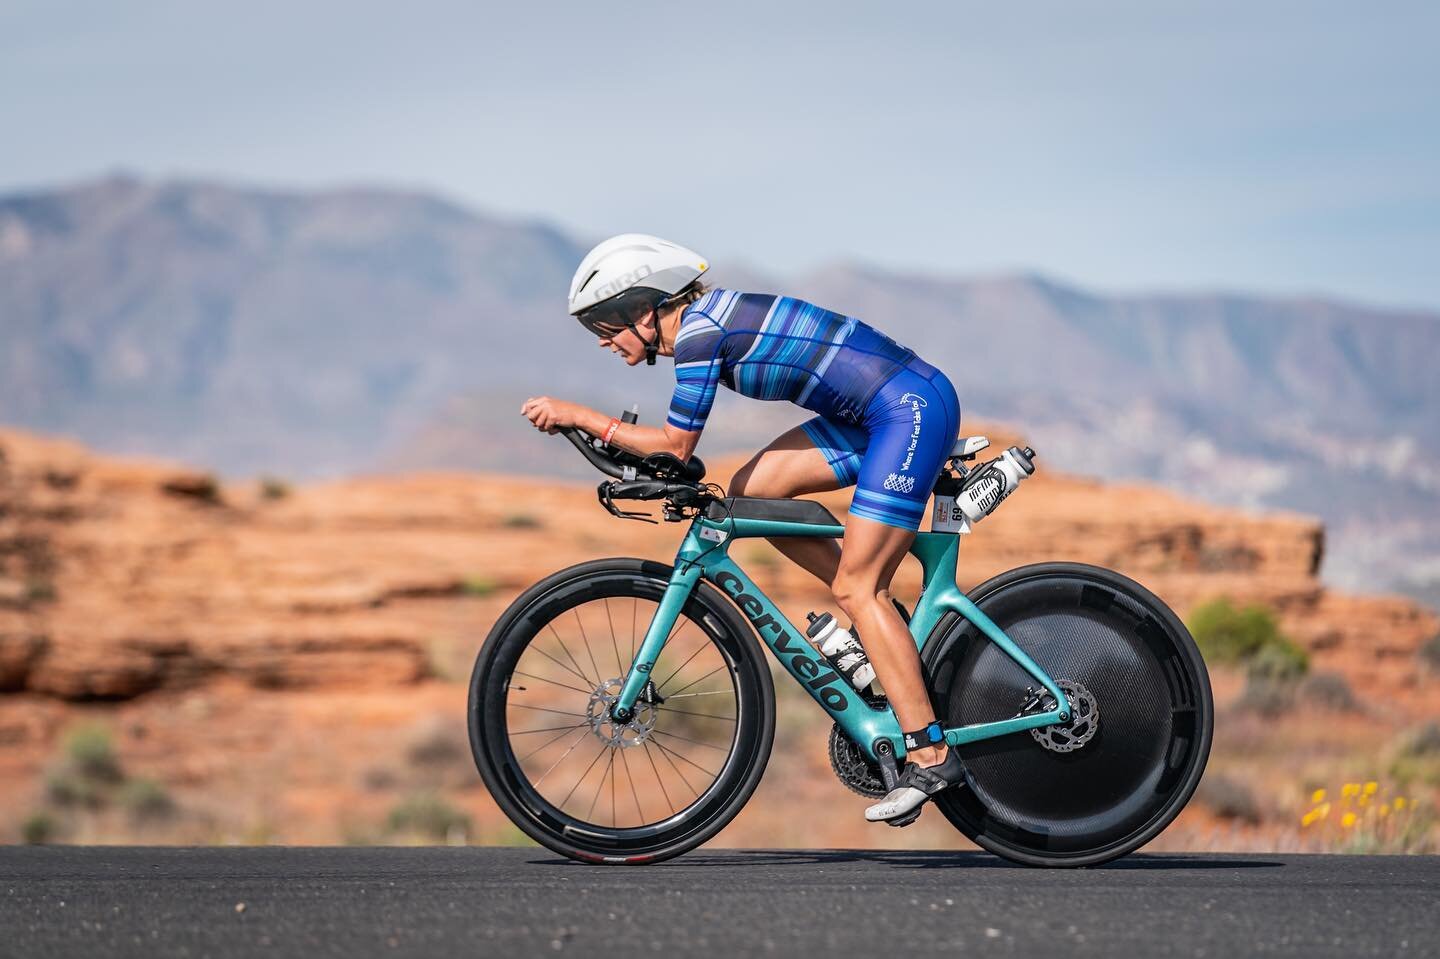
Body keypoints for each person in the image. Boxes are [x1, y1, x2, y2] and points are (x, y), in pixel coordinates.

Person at [521, 234, 963, 824]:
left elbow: (676, 447)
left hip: (906, 410)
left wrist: (581, 417)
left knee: (859, 587)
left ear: (646, 309)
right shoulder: (702, 326)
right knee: (754, 494)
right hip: (877, 414)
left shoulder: (701, 335)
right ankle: (876, 618)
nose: (602, 340)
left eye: (606, 323)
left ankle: (930, 753)